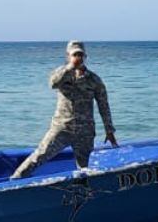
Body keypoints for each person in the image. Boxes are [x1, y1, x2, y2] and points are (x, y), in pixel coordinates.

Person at [12, 41, 117, 179]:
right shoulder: (61, 73)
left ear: (85, 56)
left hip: (85, 131)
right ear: (68, 56)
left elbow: (103, 105)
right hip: (61, 128)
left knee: (85, 167)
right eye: (75, 54)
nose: (78, 57)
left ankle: (83, 189)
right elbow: (52, 83)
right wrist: (70, 67)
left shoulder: (94, 80)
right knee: (39, 156)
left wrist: (109, 130)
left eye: (80, 55)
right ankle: (15, 180)